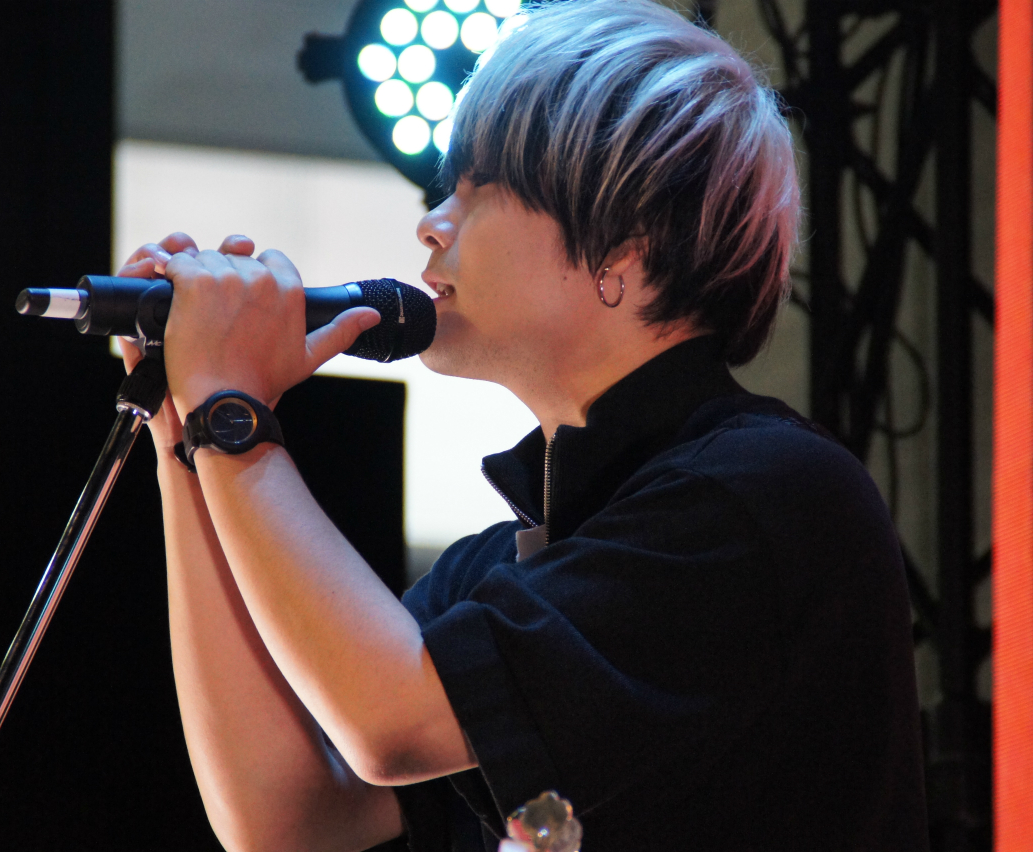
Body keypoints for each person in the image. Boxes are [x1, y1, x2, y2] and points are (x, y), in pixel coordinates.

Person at [117, 0, 929, 849]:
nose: (432, 221)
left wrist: (232, 414)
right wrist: (187, 434)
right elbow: (290, 817)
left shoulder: (764, 496)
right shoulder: (504, 565)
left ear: (625, 243)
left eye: (482, 187)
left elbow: (392, 720)